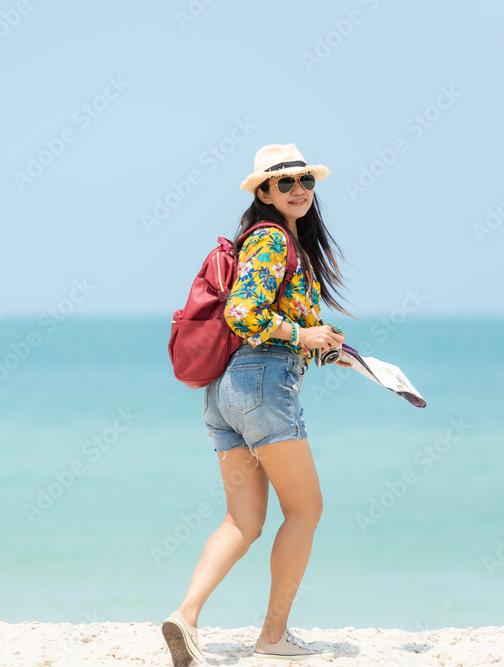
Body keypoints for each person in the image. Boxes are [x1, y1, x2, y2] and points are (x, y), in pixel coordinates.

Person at [161, 143, 355, 665]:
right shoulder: (271, 240)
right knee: (305, 510)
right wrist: (299, 333)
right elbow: (245, 313)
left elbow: (269, 322)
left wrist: (321, 346)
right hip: (262, 384)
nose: (298, 190)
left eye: (305, 182)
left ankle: (186, 617)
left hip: (225, 391)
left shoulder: (273, 241)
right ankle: (273, 634)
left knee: (242, 521)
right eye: (285, 182)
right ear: (263, 192)